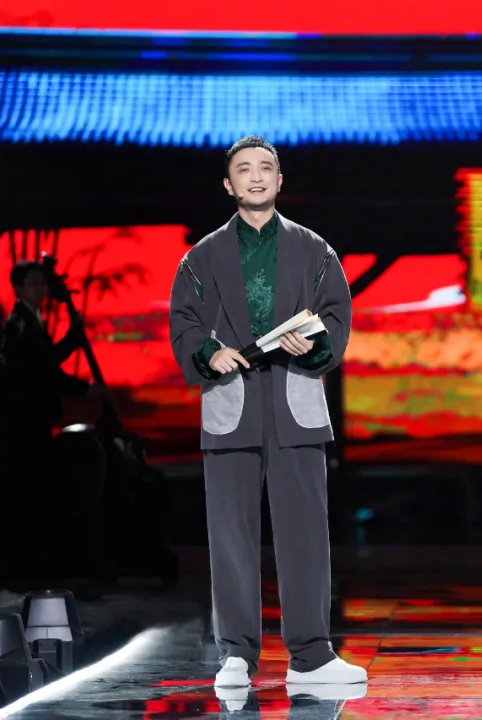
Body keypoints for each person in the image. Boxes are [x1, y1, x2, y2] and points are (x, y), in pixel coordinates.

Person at [169, 135, 365, 688]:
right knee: (230, 531)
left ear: (280, 180)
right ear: (227, 184)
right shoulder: (201, 256)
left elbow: (336, 315)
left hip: (293, 396)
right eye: (244, 169)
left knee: (305, 529)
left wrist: (316, 343)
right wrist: (209, 352)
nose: (255, 176)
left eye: (265, 168)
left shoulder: (315, 250)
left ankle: (311, 655)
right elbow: (183, 321)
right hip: (231, 398)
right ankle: (236, 653)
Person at [0, 259, 96, 586]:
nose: (40, 288)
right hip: (20, 425)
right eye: (33, 283)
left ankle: (29, 567)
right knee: (25, 494)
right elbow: (41, 369)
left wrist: (71, 340)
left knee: (31, 492)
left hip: (26, 422)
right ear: (19, 289)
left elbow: (44, 365)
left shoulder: (28, 320)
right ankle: (21, 570)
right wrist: (82, 384)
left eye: (42, 282)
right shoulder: (20, 324)